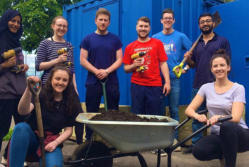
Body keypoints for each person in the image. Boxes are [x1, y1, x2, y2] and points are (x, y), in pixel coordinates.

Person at [185, 49, 249, 167]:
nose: (219, 68)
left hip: (240, 135)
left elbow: (235, 118)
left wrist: (218, 117)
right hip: (218, 135)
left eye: (222, 65)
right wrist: (198, 116)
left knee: (227, 125)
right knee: (198, 151)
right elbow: (189, 110)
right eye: (215, 66)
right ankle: (224, 153)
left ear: (228, 68)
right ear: (211, 69)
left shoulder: (238, 88)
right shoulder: (206, 88)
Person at [8, 65, 82, 167]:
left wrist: (55, 143)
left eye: (64, 80)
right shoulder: (40, 94)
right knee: (20, 128)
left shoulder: (71, 101)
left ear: (68, 83)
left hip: (50, 141)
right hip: (31, 139)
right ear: (51, 79)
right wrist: (28, 89)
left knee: (54, 165)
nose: (60, 82)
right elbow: (22, 111)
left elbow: (68, 130)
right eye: (57, 78)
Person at [184, 13, 231, 152]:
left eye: (207, 21)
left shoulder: (222, 41)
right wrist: (188, 60)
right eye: (202, 22)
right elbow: (193, 65)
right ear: (199, 25)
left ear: (213, 23)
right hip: (199, 84)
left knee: (220, 116)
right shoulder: (196, 44)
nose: (205, 23)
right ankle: (196, 145)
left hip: (216, 85)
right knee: (197, 116)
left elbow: (226, 63)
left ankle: (222, 144)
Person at [36, 16, 83, 144]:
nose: (62, 28)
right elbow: (38, 66)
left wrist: (75, 88)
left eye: (64, 26)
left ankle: (80, 147)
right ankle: (47, 142)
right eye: (59, 25)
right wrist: (57, 60)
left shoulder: (68, 45)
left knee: (79, 115)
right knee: (48, 117)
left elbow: (71, 69)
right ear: (53, 26)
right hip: (48, 86)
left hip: (67, 86)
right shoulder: (45, 43)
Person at [80, 8, 123, 140]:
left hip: (111, 81)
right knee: (92, 111)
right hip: (93, 81)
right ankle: (90, 140)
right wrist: (96, 71)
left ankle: (112, 140)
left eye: (106, 20)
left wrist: (107, 71)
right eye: (101, 20)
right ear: (95, 21)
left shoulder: (115, 39)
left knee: (113, 111)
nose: (103, 22)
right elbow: (82, 60)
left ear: (109, 22)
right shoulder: (88, 39)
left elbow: (120, 59)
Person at [152, 8, 192, 140]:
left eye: (170, 18)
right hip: (159, 80)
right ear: (161, 21)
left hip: (174, 79)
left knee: (174, 110)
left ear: (173, 20)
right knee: (160, 111)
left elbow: (193, 54)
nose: (168, 20)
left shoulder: (181, 37)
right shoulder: (155, 38)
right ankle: (161, 139)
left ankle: (173, 139)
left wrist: (185, 68)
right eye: (165, 18)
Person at [123, 16, 171, 115]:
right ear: (136, 27)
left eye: (146, 26)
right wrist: (134, 65)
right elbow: (126, 69)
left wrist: (167, 82)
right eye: (141, 26)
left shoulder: (157, 43)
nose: (143, 29)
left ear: (149, 28)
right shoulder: (130, 47)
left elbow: (163, 63)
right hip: (137, 86)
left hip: (155, 85)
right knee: (137, 116)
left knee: (155, 116)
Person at [0, 9, 29, 166]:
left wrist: (23, 66)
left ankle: (8, 156)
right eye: (13, 20)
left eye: (18, 22)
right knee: (2, 129)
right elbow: (5, 65)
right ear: (5, 21)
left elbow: (16, 65)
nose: (16, 24)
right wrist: (4, 65)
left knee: (21, 127)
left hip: (20, 92)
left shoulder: (16, 42)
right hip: (4, 93)